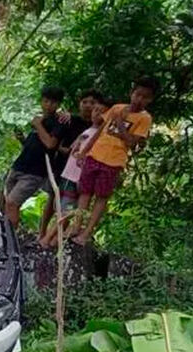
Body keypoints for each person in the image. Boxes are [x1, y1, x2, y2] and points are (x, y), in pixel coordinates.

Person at [71, 77, 158, 245]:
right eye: (137, 94)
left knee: (101, 197)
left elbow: (131, 142)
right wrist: (85, 151)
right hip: (95, 155)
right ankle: (75, 226)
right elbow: (100, 130)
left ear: (150, 100)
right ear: (131, 92)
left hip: (113, 162)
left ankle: (86, 233)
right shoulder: (117, 107)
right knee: (85, 192)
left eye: (145, 97)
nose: (139, 99)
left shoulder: (145, 118)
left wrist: (120, 124)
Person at [39, 98, 110, 248]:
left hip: (79, 177)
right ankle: (53, 241)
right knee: (60, 206)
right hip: (67, 174)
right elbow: (72, 150)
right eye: (95, 110)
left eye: (101, 112)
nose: (96, 113)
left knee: (67, 209)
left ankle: (47, 240)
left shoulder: (101, 136)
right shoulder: (87, 131)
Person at [0, 86, 66, 228]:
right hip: (19, 166)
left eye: (53, 102)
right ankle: (5, 235)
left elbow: (50, 144)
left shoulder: (58, 122)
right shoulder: (40, 119)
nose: (49, 105)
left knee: (12, 202)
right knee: (7, 202)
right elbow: (36, 145)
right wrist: (23, 140)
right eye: (46, 101)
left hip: (35, 172)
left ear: (58, 104)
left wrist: (38, 125)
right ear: (41, 101)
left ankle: (10, 241)